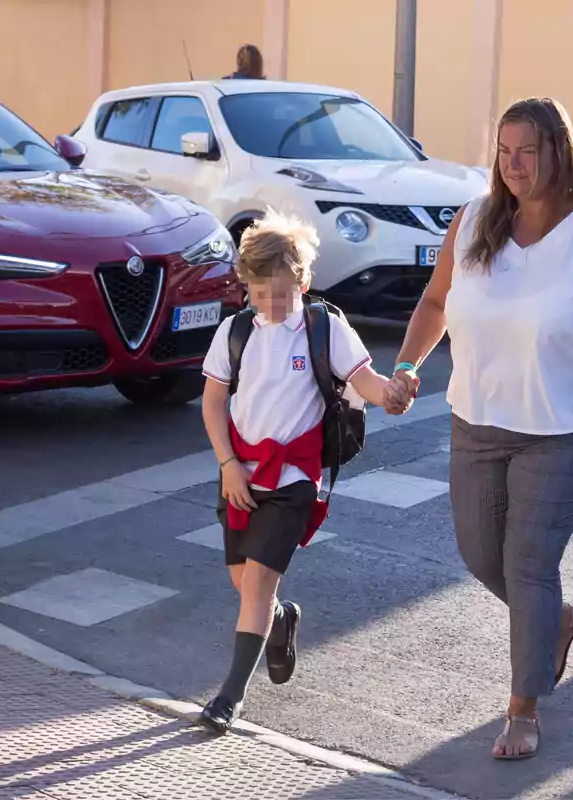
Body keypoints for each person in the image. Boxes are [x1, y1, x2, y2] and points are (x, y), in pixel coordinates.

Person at [387, 96, 573, 760]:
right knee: (478, 553)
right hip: (479, 419)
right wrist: (406, 366)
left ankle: (524, 709)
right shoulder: (473, 222)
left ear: (557, 151)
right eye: (504, 151)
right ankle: (560, 620)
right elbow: (436, 301)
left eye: (527, 151)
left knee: (528, 562)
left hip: (569, 423)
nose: (514, 165)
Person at [197, 211, 404, 734]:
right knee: (243, 582)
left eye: (283, 293)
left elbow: (367, 379)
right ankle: (281, 618)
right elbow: (214, 401)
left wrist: (393, 395)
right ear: (245, 286)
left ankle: (229, 697)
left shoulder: (323, 327)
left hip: (293, 478)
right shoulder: (234, 333)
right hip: (240, 473)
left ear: (303, 283)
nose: (271, 304)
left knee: (259, 583)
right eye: (260, 292)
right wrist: (227, 466)